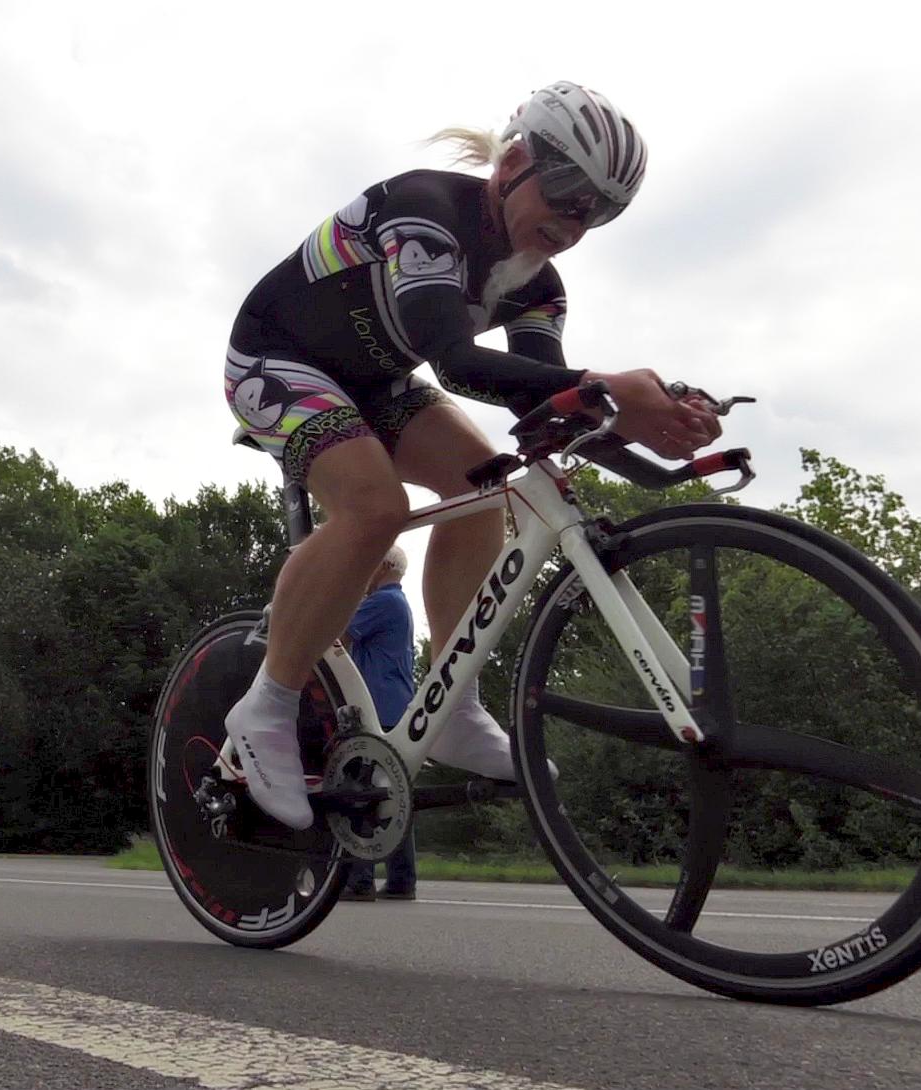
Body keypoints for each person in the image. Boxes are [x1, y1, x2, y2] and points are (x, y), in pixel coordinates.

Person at [223, 82, 721, 830]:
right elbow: (456, 363)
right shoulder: (424, 211)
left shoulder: (540, 286)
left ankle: (452, 705)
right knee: (375, 509)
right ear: (513, 162)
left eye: (600, 211)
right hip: (275, 362)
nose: (576, 223)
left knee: (485, 484)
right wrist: (607, 387)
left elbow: (538, 401)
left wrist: (642, 421)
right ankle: (265, 706)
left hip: (375, 382)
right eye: (568, 194)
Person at [339, 545, 419, 902]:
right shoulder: (399, 604)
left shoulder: (382, 602)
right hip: (396, 705)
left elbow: (339, 635)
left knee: (361, 791)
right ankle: (402, 879)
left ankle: (359, 879)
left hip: (376, 707)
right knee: (394, 792)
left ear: (384, 564)